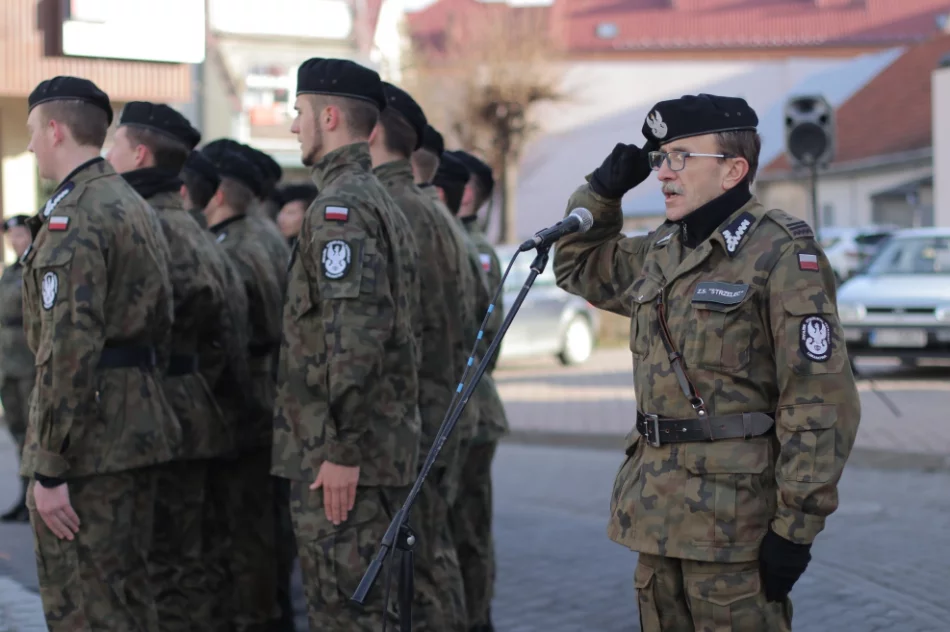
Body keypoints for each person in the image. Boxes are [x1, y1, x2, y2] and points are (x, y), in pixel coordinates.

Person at [552, 93, 861, 631]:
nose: (663, 174)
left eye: (680, 157)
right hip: (656, 515)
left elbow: (819, 401)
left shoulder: (782, 253)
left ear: (732, 170)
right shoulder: (662, 250)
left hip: (734, 526)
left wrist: (795, 528)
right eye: (661, 158)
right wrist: (600, 192)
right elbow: (576, 265)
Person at [21, 75, 180, 631]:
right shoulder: (129, 201)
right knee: (127, 599)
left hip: (91, 443)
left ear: (56, 130)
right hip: (132, 425)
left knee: (86, 606)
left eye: (34, 132)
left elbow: (68, 346)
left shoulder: (78, 213)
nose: (30, 145)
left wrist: (49, 465)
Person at [271, 57, 422, 631]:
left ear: (329, 117)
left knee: (347, 616)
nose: (294, 126)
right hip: (361, 453)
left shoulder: (343, 207)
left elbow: (356, 336)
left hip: (343, 461)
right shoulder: (369, 197)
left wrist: (341, 451)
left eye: (300, 113)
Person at [107, 101, 241, 631]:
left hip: (160, 409)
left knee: (164, 567)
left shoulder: (149, 226)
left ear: (140, 154)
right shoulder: (190, 227)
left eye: (115, 144)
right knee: (187, 560)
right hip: (192, 403)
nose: (106, 155)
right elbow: (223, 336)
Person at [370, 82, 477, 631]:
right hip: (440, 406)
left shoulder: (396, 209)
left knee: (418, 567)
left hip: (413, 416)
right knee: (433, 555)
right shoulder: (435, 213)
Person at [446, 149, 510, 632]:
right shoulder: (456, 239)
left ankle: (476, 619)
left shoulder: (476, 250)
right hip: (459, 410)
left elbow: (484, 339)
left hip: (471, 410)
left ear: (468, 194)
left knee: (467, 531)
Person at [0, 215, 36, 523]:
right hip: (7, 363)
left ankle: (36, 496)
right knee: (16, 430)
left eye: (20, 234)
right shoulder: (10, 273)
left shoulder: (35, 268)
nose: (15, 240)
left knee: (33, 432)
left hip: (29, 362)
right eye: (11, 236)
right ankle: (24, 496)